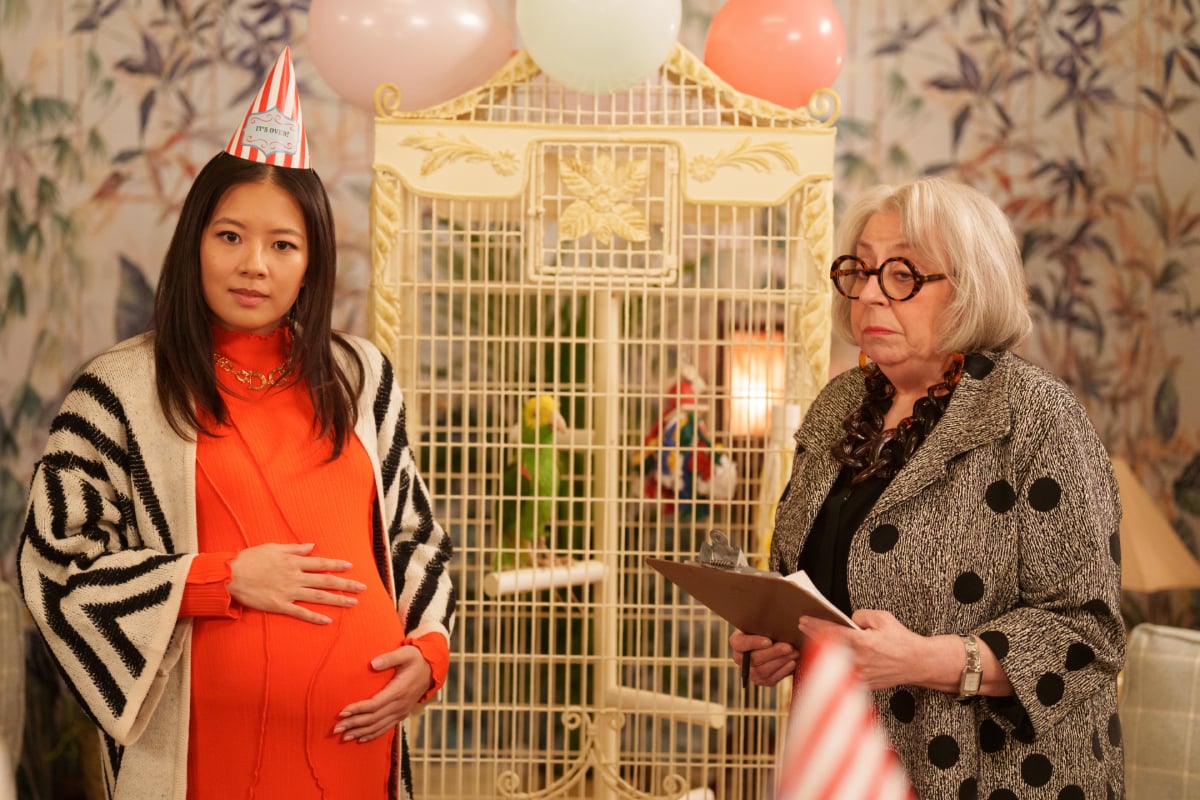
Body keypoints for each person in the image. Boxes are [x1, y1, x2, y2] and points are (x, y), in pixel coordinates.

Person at [17, 48, 454, 800]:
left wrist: (430, 648)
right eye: (230, 237)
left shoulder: (362, 377)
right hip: (196, 760)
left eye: (283, 245)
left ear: (311, 264)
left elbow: (413, 536)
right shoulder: (118, 389)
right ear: (194, 243)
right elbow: (54, 566)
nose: (255, 263)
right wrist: (219, 578)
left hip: (360, 753)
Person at [731, 177, 1124, 798]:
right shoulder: (838, 405)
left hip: (996, 778)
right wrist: (778, 641)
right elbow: (807, 580)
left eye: (903, 275)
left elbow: (1088, 636)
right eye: (859, 270)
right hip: (845, 766)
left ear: (970, 287)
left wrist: (923, 660)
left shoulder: (1037, 415)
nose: (868, 293)